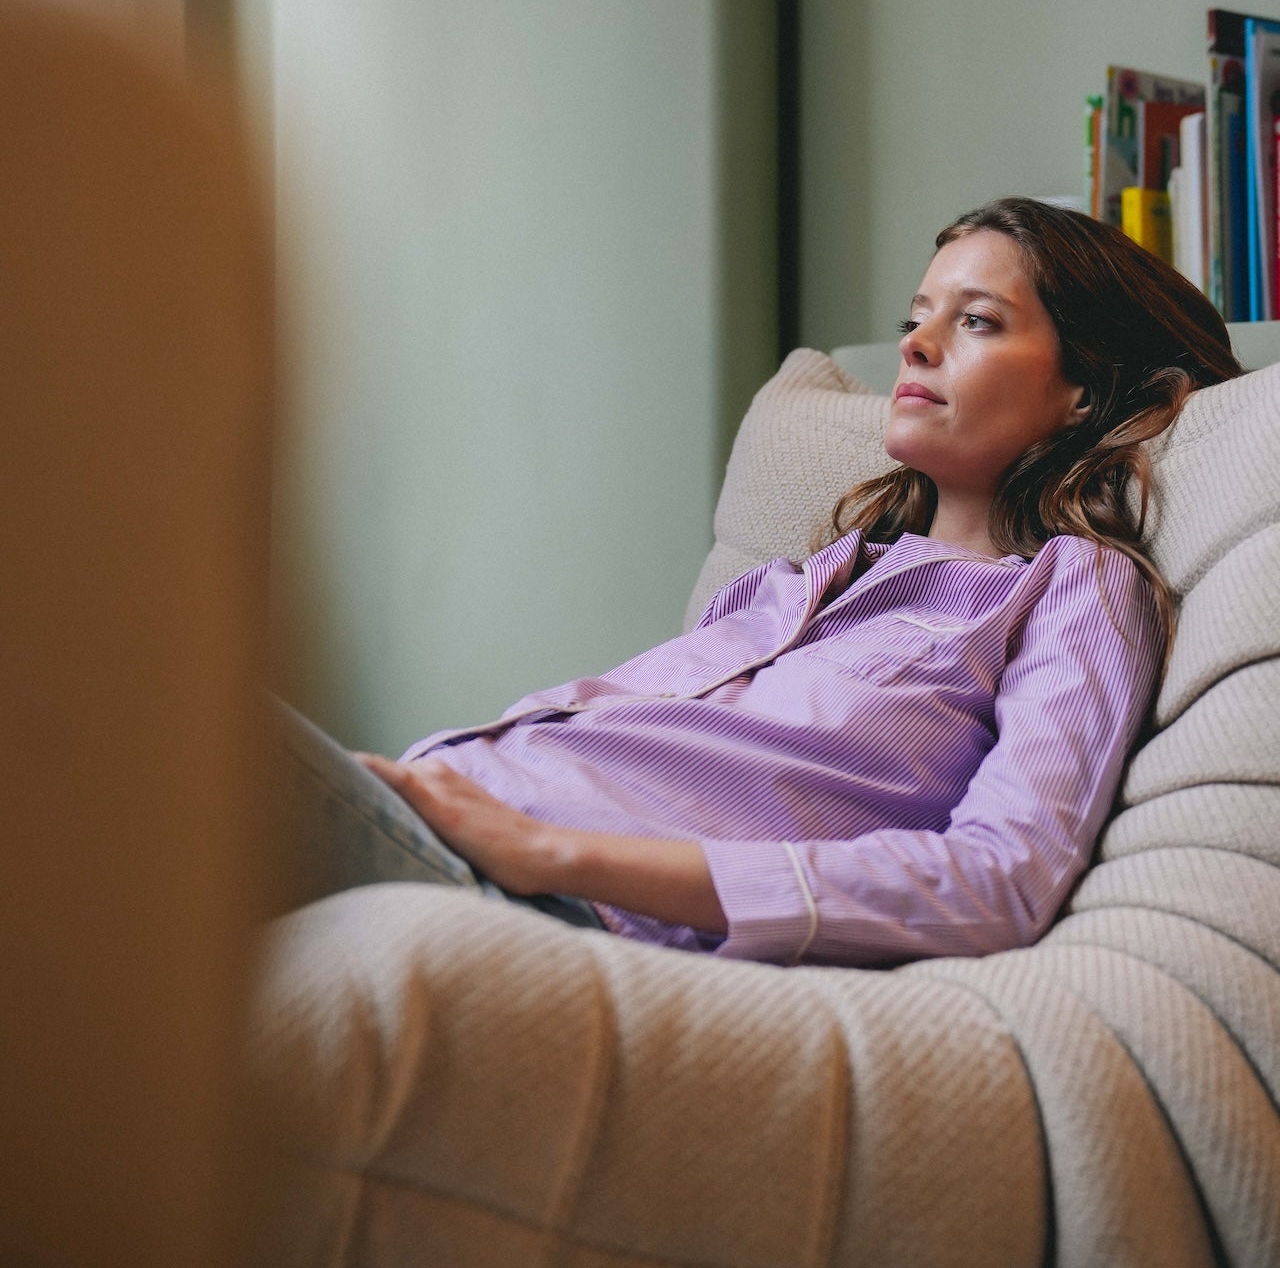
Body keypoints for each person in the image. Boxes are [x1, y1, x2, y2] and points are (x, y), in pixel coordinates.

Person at [278, 197, 1240, 966]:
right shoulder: (790, 587)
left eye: (978, 321)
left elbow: (999, 880)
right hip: (426, 812)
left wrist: (547, 854)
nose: (915, 343)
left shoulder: (1068, 589)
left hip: (538, 901)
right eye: (916, 317)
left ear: (1086, 391)